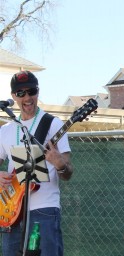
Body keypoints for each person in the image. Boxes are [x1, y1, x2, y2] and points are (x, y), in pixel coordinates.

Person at [0, 70, 73, 256]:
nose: (27, 97)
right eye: (20, 93)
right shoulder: (6, 130)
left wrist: (59, 164)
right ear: (13, 97)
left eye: (31, 91)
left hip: (44, 210)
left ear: (38, 92)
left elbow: (68, 173)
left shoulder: (53, 124)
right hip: (11, 211)